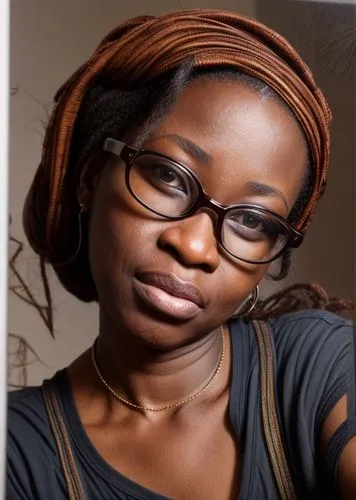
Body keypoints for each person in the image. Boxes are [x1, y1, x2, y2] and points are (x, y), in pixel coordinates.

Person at [7, 8, 356, 500]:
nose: (194, 246)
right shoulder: (18, 454)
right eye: (169, 176)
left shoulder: (320, 368)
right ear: (91, 177)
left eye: (251, 221)